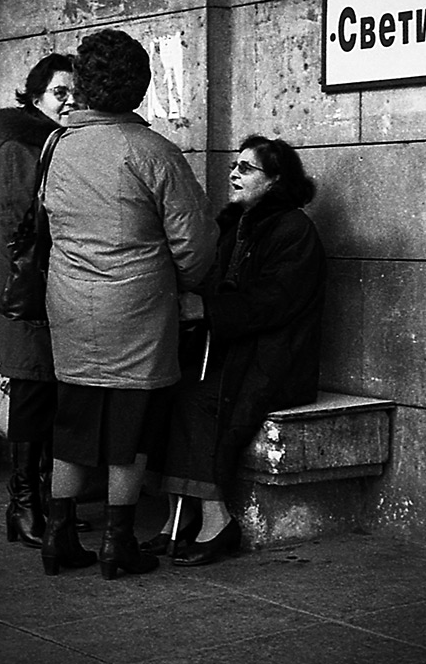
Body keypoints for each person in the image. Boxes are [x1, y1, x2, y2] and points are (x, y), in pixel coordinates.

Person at [40, 28, 218, 579]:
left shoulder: (57, 147)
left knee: (74, 420)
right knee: (130, 426)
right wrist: (184, 283)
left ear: (83, 86)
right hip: (138, 308)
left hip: (70, 303)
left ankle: (58, 534)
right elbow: (195, 243)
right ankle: (118, 543)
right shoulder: (154, 152)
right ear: (139, 87)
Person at [145, 134, 327, 566]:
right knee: (166, 390)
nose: (234, 174)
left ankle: (216, 519)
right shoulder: (234, 225)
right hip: (234, 351)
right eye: (234, 165)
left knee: (198, 401)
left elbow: (274, 301)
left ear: (276, 179)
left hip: (275, 360)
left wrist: (206, 309)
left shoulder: (294, 230)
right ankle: (178, 518)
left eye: (246, 168)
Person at [0, 52, 90, 547]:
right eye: (59, 92)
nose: (69, 101)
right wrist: (20, 289)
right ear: (34, 97)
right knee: (30, 396)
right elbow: (5, 227)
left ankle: (46, 500)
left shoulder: (60, 143)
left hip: (58, 290)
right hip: (27, 295)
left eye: (76, 93)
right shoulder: (19, 147)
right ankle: (23, 503)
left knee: (52, 398)